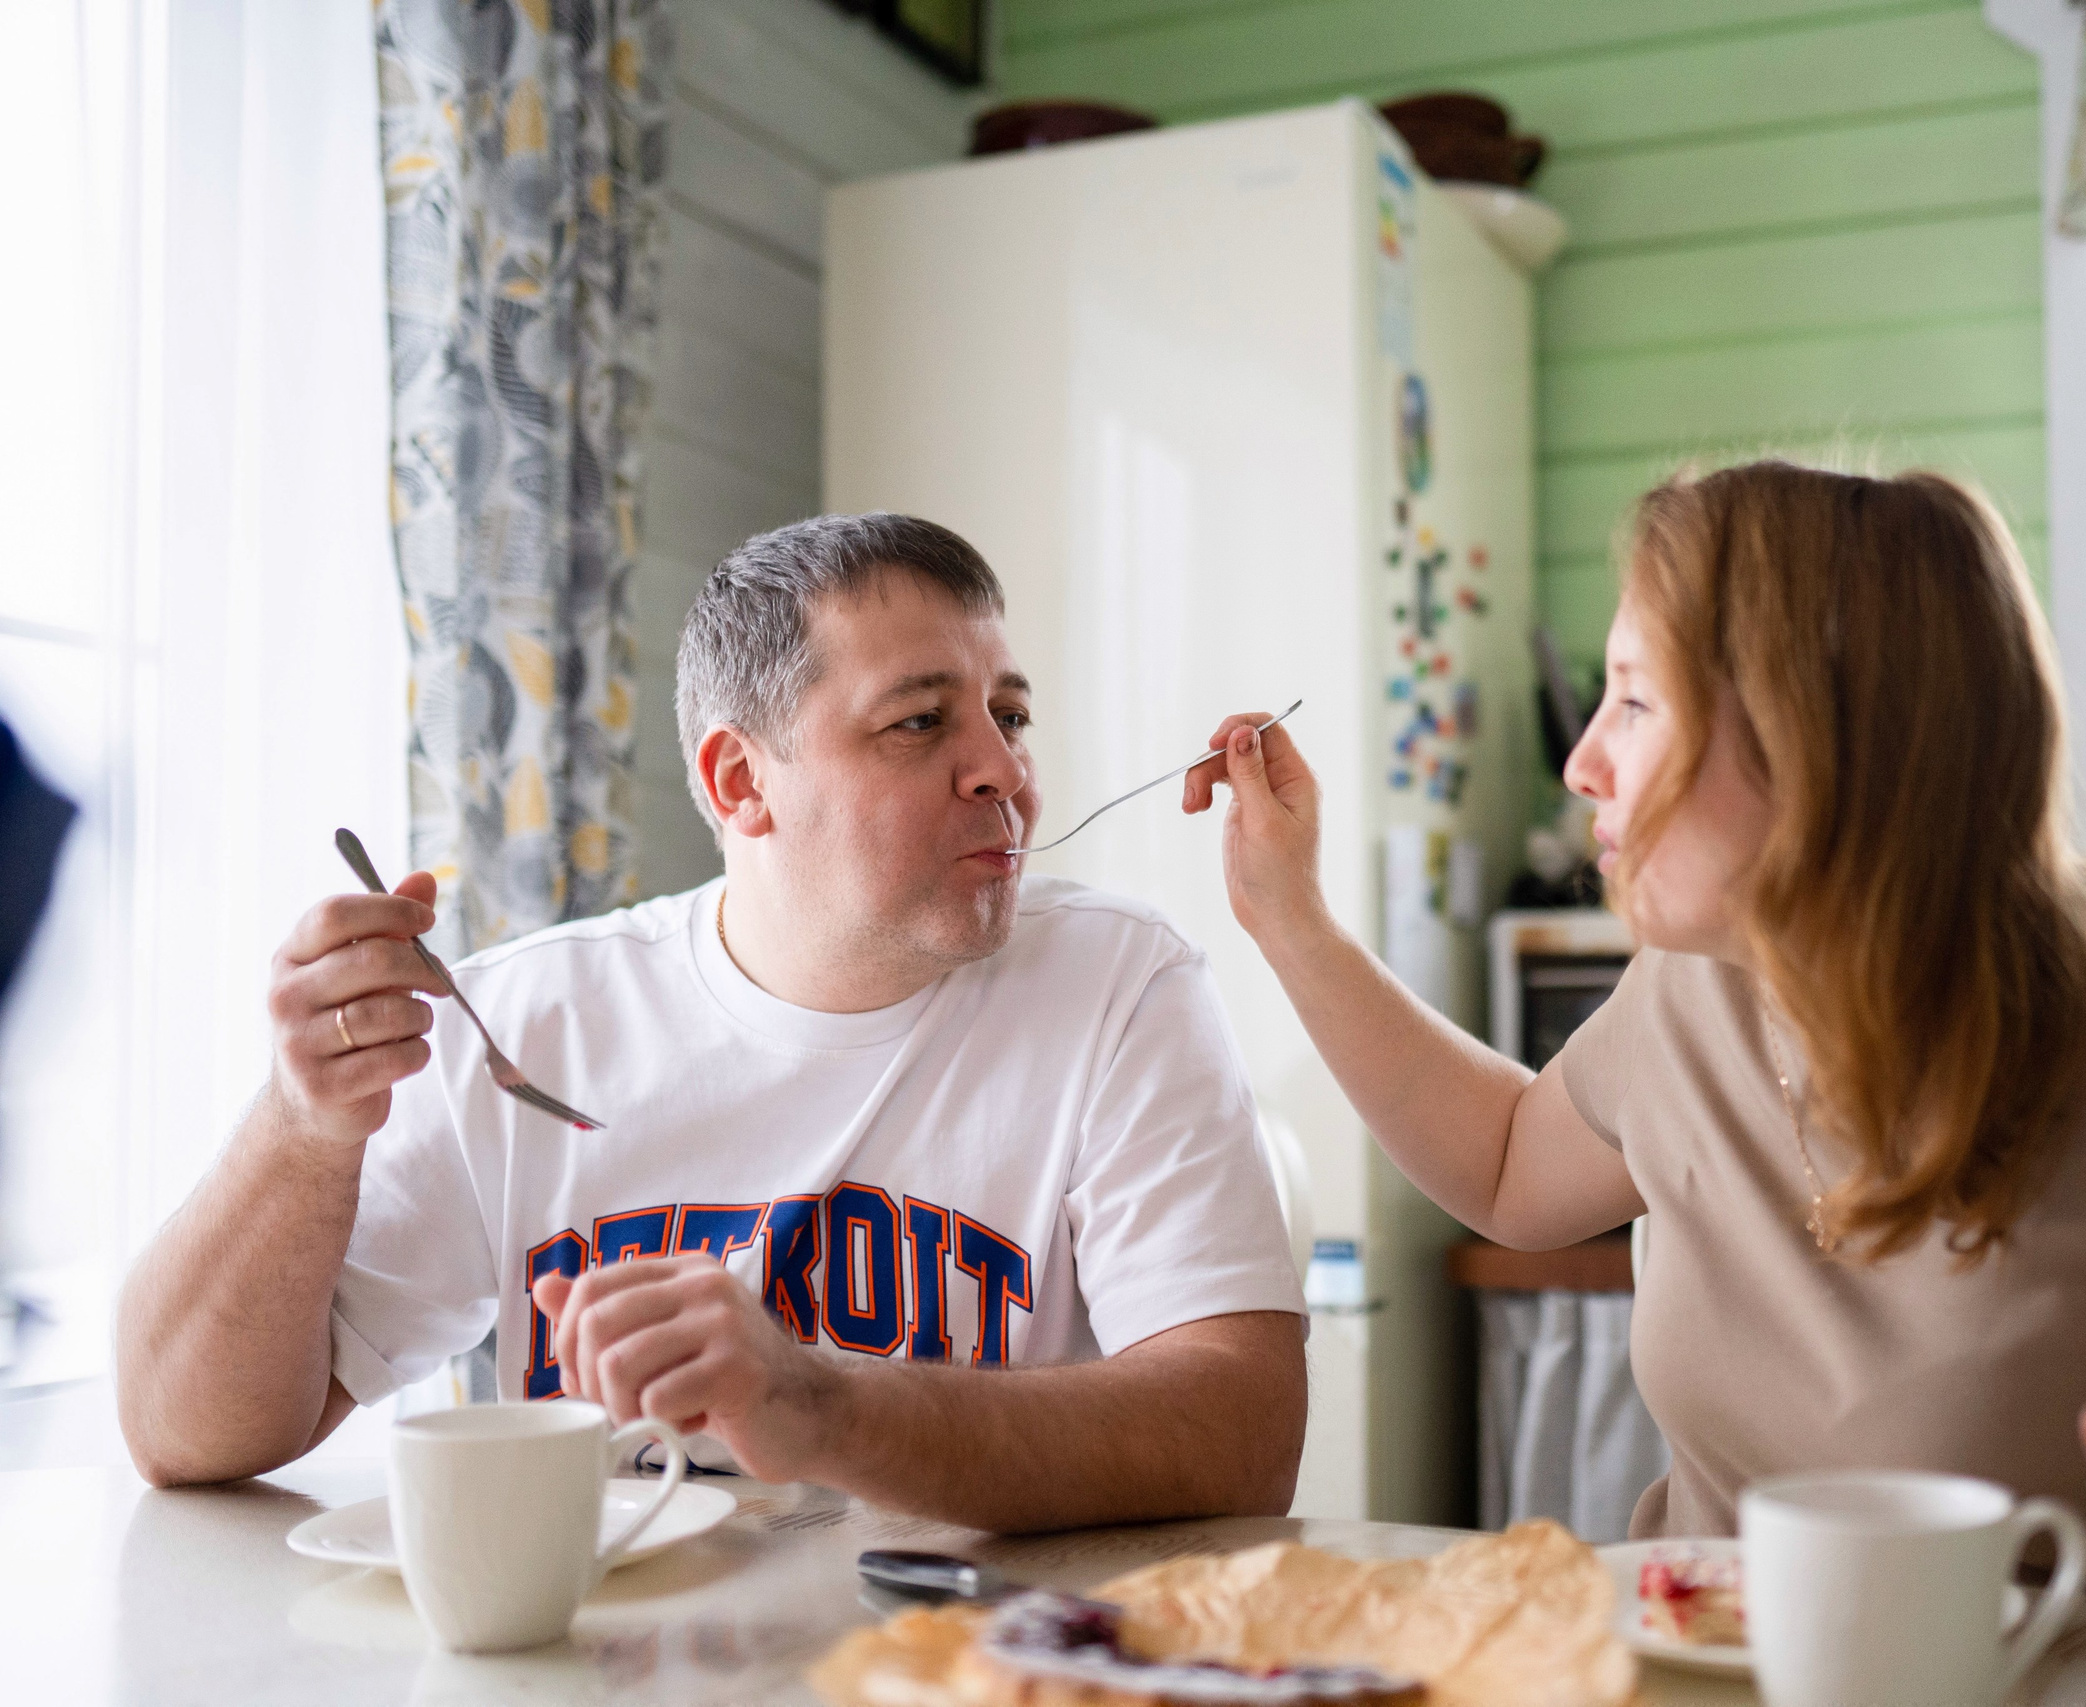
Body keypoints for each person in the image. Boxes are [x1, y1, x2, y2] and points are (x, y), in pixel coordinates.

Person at [1184, 461, 2086, 1598]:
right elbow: (1513, 1168)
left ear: (1817, 746)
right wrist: (1290, 915)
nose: (1584, 761)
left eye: (1634, 701)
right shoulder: (1692, 988)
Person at [117, 513, 1307, 1529]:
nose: (1003, 768)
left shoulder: (1116, 985)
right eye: (919, 722)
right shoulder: (531, 1021)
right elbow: (184, 1431)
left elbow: (1241, 1438)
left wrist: (819, 1405)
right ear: (743, 783)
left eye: (1010, 714)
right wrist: (303, 1126)